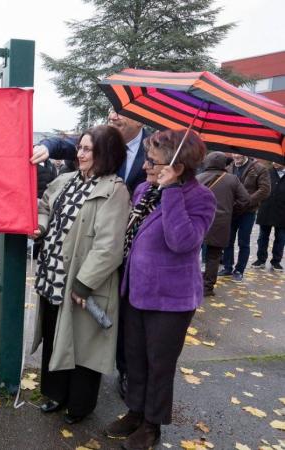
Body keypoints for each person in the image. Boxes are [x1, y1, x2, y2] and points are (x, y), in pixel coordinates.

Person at [104, 129, 216, 450]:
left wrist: (171, 192)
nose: (146, 167)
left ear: (177, 168)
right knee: (134, 358)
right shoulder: (143, 189)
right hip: (136, 290)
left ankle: (152, 426)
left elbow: (182, 242)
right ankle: (135, 412)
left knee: (159, 365)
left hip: (171, 300)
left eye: (153, 163)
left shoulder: (200, 197)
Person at [30, 110, 148, 398]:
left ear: (105, 153)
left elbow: (109, 247)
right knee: (54, 335)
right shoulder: (67, 179)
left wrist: (84, 282)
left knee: (82, 347)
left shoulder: (115, 191)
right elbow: (45, 207)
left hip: (82, 284)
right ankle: (54, 395)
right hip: (53, 279)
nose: (80, 154)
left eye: (87, 149)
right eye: (80, 147)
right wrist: (41, 228)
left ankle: (79, 406)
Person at [196, 152, 250, 296]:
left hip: (199, 221)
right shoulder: (232, 179)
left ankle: (190, 283)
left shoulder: (198, 178)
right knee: (214, 256)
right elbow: (245, 200)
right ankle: (207, 287)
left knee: (193, 253)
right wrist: (231, 211)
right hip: (221, 222)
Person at [218, 153, 270, 281]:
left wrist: (246, 201)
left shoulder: (259, 168)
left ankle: (239, 270)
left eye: (239, 153)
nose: (236, 156)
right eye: (234, 153)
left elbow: (264, 190)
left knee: (243, 242)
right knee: (228, 240)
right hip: (231, 210)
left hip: (248, 212)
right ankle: (227, 267)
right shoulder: (228, 167)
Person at [252, 162, 285, 271]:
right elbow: (259, 188)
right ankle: (260, 259)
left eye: (277, 160)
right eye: (273, 161)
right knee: (262, 237)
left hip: (282, 212)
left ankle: (276, 261)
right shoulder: (267, 172)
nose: (274, 163)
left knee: (280, 238)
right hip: (266, 210)